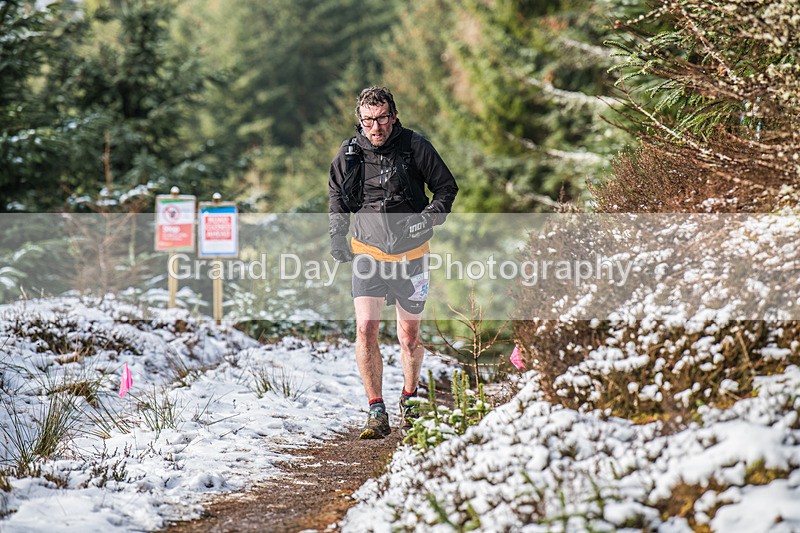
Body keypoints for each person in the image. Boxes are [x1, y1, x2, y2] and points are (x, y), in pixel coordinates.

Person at [328, 86, 458, 439]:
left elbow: (447, 188)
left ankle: (410, 397)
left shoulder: (416, 146)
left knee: (409, 334)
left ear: (394, 116)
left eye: (382, 118)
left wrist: (430, 217)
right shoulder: (350, 152)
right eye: (368, 120)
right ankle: (375, 409)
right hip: (367, 253)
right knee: (365, 329)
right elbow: (337, 195)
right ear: (360, 120)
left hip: (412, 255)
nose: (376, 127)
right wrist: (336, 236)